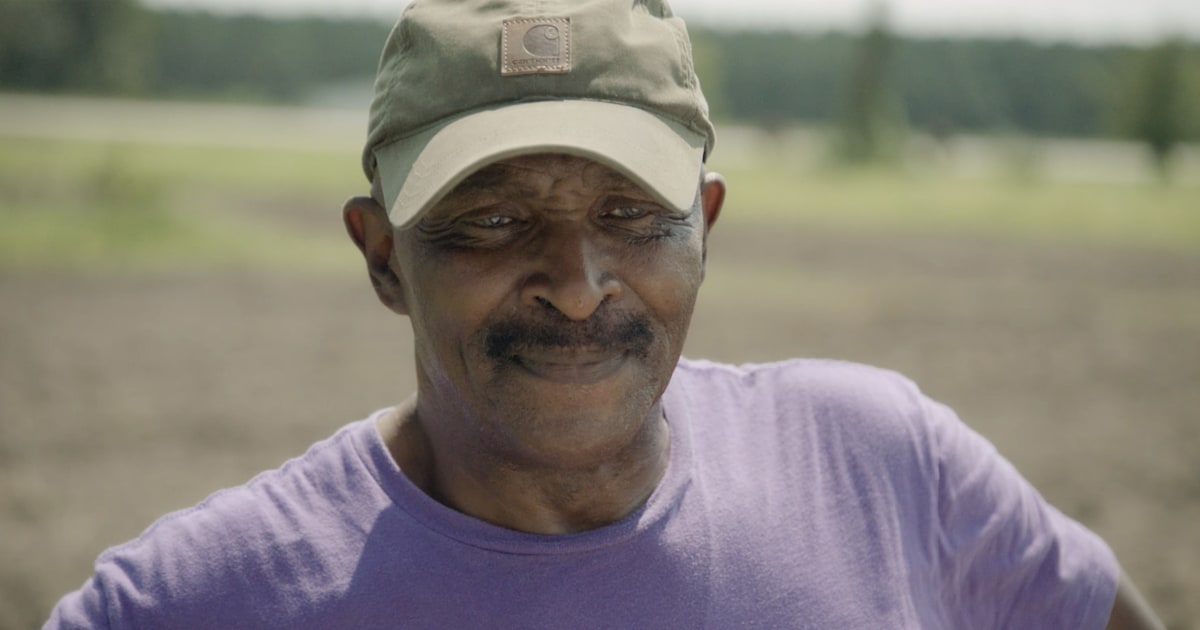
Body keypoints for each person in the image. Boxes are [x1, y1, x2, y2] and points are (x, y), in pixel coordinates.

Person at [47, 0, 1162, 627]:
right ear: (383, 256)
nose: (577, 283)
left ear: (707, 227)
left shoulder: (882, 467)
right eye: (491, 221)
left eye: (632, 213)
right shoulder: (207, 599)